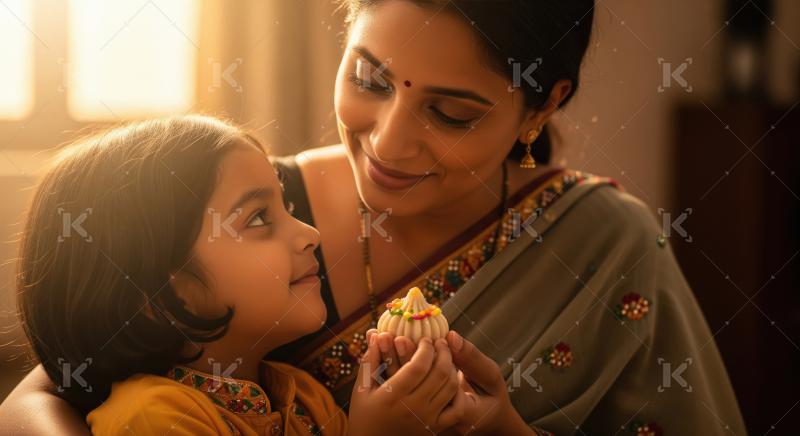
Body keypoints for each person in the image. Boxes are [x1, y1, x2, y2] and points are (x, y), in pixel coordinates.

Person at [1, 1, 747, 434]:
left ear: (541, 107)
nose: (387, 142)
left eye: (451, 113)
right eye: (369, 79)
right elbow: (44, 395)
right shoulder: (249, 205)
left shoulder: (603, 241)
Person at [12, 115, 478, 435]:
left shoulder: (303, 398)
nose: (309, 233)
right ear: (158, 294)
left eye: (288, 207)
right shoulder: (153, 417)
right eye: (258, 218)